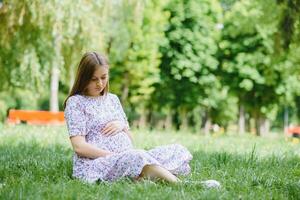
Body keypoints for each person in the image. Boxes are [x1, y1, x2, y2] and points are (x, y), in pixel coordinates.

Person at [63, 52, 220, 188]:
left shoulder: (112, 99)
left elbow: (130, 139)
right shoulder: (76, 102)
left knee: (176, 150)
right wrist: (112, 156)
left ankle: (142, 175)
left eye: (103, 77)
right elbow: (79, 147)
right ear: (84, 78)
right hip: (96, 163)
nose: (100, 83)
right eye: (94, 79)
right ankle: (184, 185)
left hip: (126, 155)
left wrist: (122, 126)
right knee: (137, 157)